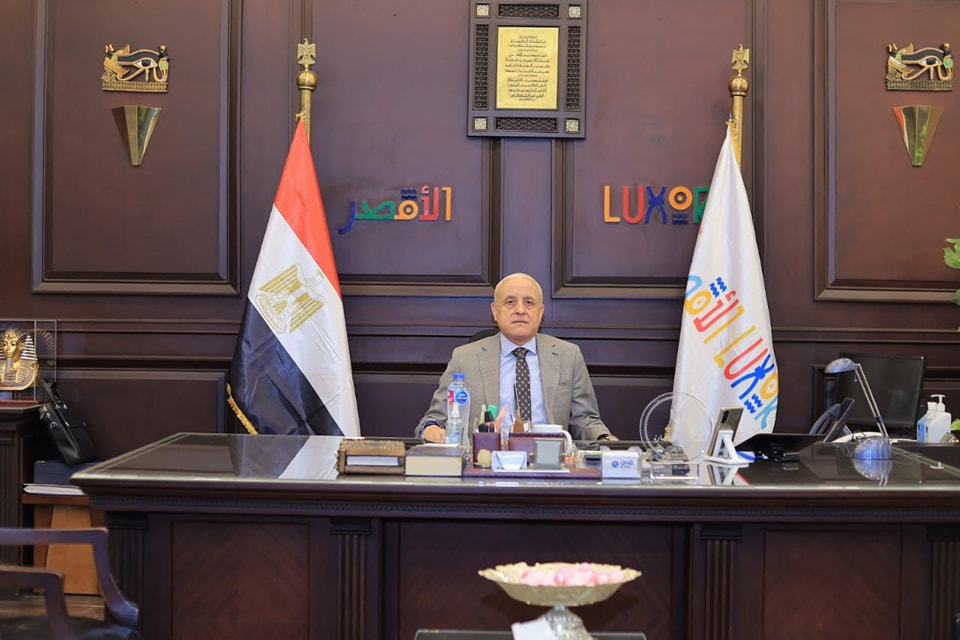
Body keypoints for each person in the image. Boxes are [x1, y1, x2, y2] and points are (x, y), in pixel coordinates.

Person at [416, 273, 616, 443]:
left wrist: (604, 439)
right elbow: (435, 419)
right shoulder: (465, 358)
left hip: (549, 461)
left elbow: (585, 420)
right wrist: (431, 430)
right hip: (487, 463)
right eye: (510, 302)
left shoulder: (568, 356)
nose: (520, 310)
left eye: (529, 303)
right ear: (495, 311)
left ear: (541, 312)